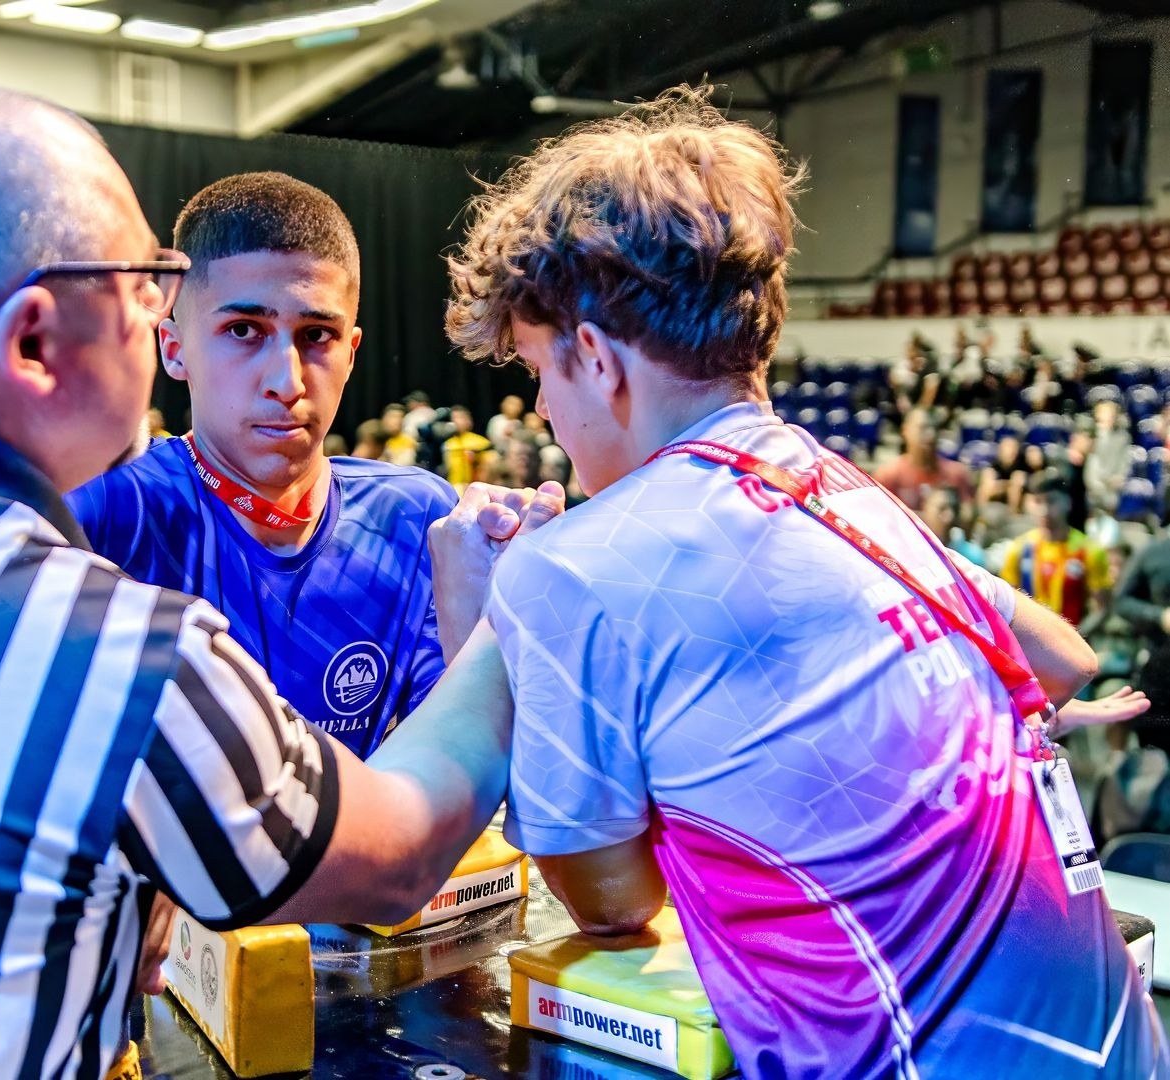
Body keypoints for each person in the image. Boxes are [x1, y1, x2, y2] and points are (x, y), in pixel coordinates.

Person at [0, 85, 558, 1080]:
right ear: (34, 339)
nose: (159, 325)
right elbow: (399, 855)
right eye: (145, 288)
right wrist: (509, 616)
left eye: (314, 336)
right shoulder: (109, 649)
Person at [445, 86, 1165, 1078]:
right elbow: (1058, 655)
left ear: (598, 361)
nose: (544, 410)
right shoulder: (846, 492)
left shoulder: (569, 565)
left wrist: (478, 625)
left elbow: (611, 908)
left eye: (536, 372)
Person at [70, 173, 460, 758]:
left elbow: (453, 758)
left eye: (316, 335)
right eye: (244, 330)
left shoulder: (418, 518)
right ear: (174, 349)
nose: (288, 381)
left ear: (352, 353)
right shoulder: (105, 511)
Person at [1001, 472, 1113, 628]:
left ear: (1067, 502)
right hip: (1028, 643)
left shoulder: (1089, 550)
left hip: (1073, 642)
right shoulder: (1019, 549)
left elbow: (1102, 608)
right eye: (1038, 501)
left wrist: (1076, 638)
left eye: (1051, 501)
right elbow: (1006, 604)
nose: (1044, 510)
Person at [871, 407, 974, 511]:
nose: (931, 434)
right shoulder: (889, 475)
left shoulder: (956, 474)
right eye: (923, 428)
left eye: (935, 428)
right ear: (905, 431)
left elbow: (967, 516)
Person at [441, 405, 492, 490]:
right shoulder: (445, 443)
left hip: (474, 488)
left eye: (460, 418)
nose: (455, 421)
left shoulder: (480, 442)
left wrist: (476, 460)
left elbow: (490, 467)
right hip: (450, 487)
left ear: (468, 421)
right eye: (452, 418)